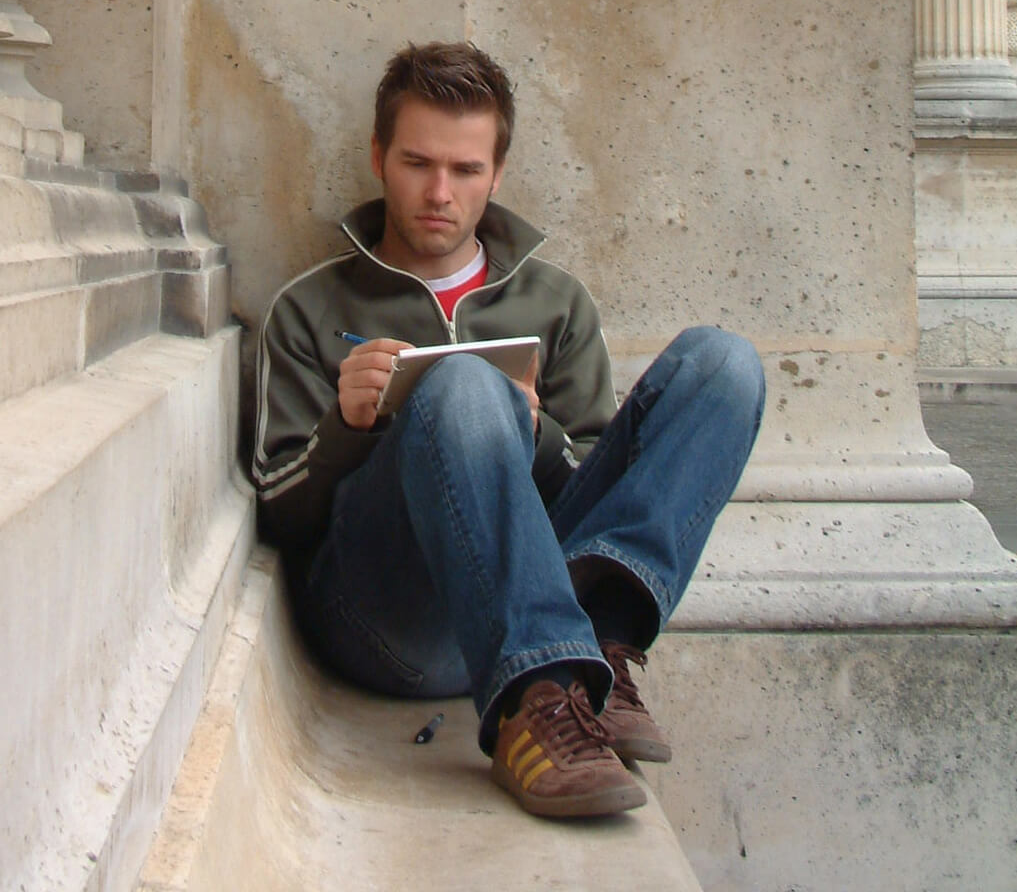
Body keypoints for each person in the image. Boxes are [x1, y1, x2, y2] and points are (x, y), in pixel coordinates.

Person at [252, 41, 765, 819]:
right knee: (460, 381)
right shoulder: (311, 309)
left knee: (722, 366)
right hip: (387, 619)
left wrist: (538, 437)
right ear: (378, 158)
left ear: (496, 175)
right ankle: (535, 693)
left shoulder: (555, 304)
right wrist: (346, 429)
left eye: (464, 171)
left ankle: (602, 646)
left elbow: (602, 487)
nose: (438, 192)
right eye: (417, 163)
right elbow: (273, 511)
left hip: (537, 598)